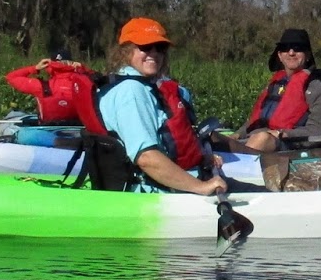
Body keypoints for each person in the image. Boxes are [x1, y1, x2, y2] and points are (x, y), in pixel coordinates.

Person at [96, 17, 227, 196]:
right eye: (145, 47)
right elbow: (146, 158)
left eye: (160, 47)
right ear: (126, 51)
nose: (154, 53)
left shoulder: (138, 85)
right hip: (155, 193)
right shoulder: (131, 91)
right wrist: (200, 187)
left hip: (169, 182)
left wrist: (198, 158)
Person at [237, 28, 321, 153]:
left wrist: (280, 133)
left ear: (307, 55)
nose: (291, 52)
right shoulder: (274, 86)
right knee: (215, 138)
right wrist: (236, 135)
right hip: (255, 140)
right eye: (285, 48)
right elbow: (254, 121)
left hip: (290, 146)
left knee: (261, 138)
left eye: (297, 48)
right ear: (279, 55)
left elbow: (317, 131)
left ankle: (236, 164)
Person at [3, 48, 78, 122]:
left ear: (50, 66)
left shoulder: (40, 86)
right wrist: (82, 69)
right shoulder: (84, 84)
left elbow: (11, 77)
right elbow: (89, 75)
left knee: (14, 114)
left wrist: (35, 68)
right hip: (79, 127)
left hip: (49, 128)